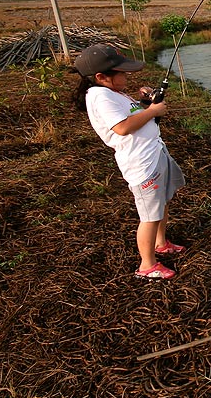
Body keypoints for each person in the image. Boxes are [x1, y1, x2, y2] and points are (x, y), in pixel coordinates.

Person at [71, 44, 186, 280]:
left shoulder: (112, 92)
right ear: (102, 77)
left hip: (154, 154)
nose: (127, 76)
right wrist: (153, 111)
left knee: (162, 202)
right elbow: (122, 127)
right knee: (149, 216)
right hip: (142, 164)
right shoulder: (100, 96)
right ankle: (147, 265)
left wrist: (144, 104)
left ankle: (161, 243)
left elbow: (131, 117)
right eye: (122, 73)